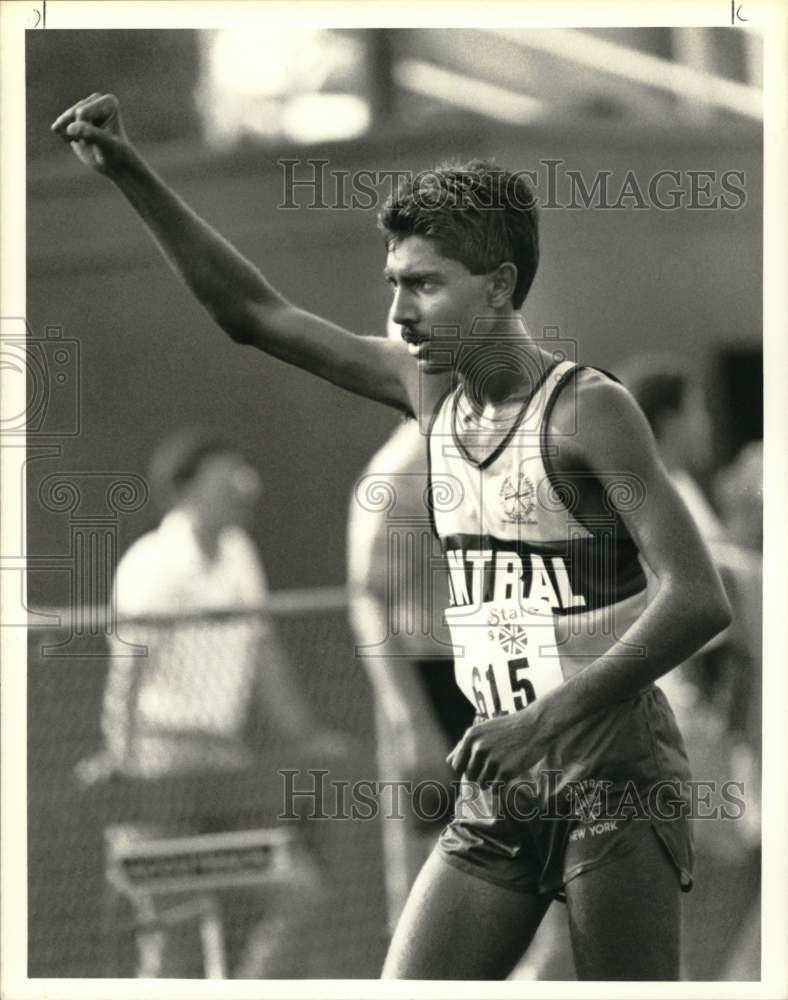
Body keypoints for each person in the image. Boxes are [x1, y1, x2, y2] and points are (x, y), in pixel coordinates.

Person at [54, 94, 732, 981]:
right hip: (505, 785)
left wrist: (544, 719)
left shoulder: (588, 411)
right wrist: (131, 173)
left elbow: (698, 595)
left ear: (496, 286)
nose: (400, 310)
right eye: (393, 284)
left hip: (613, 776)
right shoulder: (429, 394)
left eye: (424, 283)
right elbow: (253, 314)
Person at [75, 428, 337, 978]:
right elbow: (128, 672)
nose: (240, 488)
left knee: (298, 893)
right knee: (171, 934)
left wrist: (305, 734)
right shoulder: (151, 564)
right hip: (161, 764)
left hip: (225, 768)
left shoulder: (240, 554)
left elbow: (264, 655)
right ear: (188, 488)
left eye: (240, 475)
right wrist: (120, 758)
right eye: (224, 477)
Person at [347, 405, 475, 934]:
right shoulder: (403, 469)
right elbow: (369, 598)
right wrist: (412, 721)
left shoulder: (499, 451)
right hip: (435, 681)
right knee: (440, 884)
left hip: (502, 674)